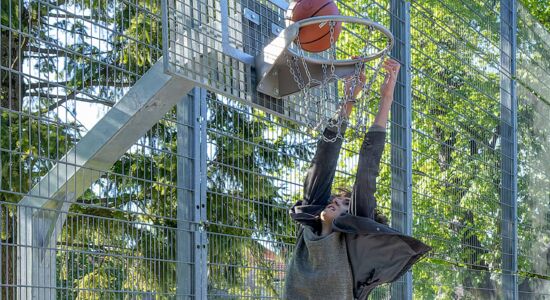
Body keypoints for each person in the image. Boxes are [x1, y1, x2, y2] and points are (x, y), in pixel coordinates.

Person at [284, 58, 431, 300]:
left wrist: (387, 97)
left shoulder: (351, 246)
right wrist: (350, 98)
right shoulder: (310, 221)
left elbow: (367, 170)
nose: (335, 202)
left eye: (343, 204)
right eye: (337, 199)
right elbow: (324, 157)